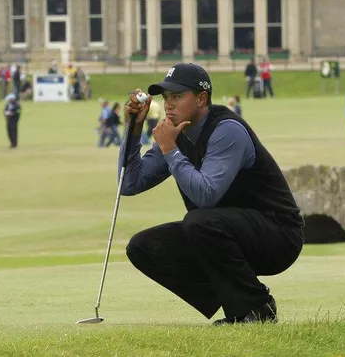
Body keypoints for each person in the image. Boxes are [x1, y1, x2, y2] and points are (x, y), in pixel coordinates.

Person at [120, 63, 304, 325]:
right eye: (166, 97)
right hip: (225, 233)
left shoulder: (226, 130)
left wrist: (170, 150)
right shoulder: (177, 134)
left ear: (201, 98)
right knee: (143, 246)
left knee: (199, 221)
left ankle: (258, 308)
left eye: (177, 96)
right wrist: (133, 130)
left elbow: (206, 196)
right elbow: (128, 183)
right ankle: (239, 302)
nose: (169, 104)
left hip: (278, 235)